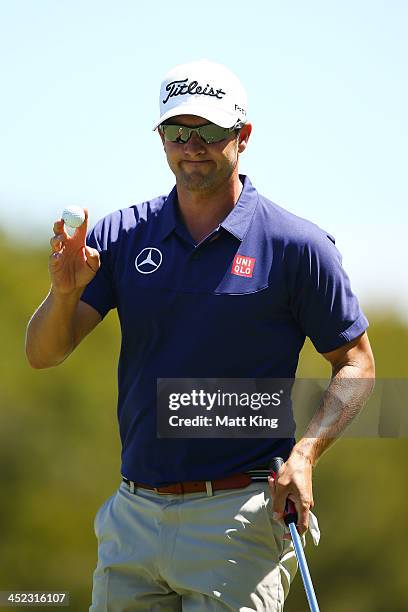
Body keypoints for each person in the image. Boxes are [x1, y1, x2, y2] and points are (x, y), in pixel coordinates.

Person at [25, 59, 375, 611]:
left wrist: (305, 455)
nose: (192, 145)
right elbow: (43, 354)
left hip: (238, 523)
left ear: (243, 136)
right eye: (177, 131)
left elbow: (356, 363)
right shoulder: (121, 235)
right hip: (133, 516)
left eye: (209, 131)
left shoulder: (297, 247)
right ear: (160, 138)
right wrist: (65, 293)